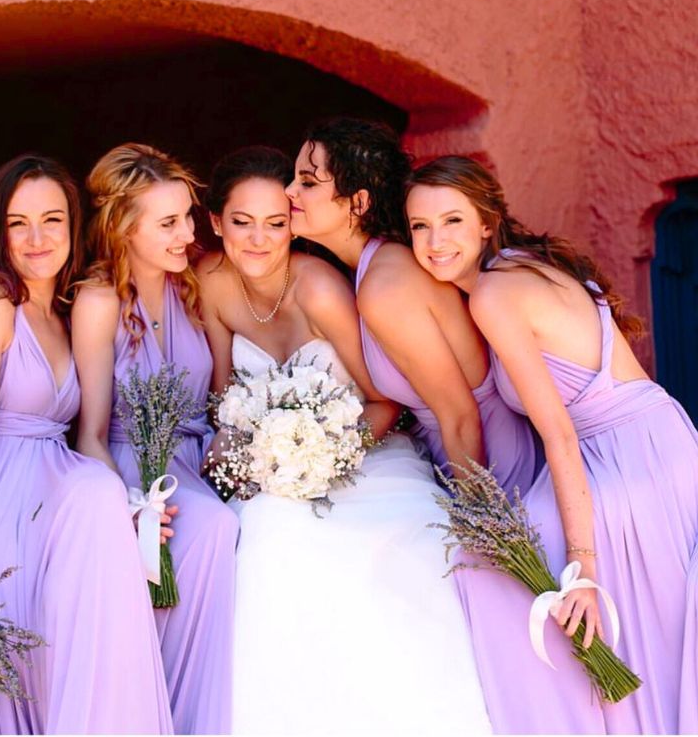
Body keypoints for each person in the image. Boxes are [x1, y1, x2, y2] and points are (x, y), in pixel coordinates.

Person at [197, 145, 492, 735]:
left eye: (276, 223)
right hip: (270, 473)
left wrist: (327, 456)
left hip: (365, 456)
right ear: (215, 224)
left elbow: (384, 400)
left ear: (292, 221)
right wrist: (237, 452)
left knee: (407, 540)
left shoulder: (323, 289)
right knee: (264, 541)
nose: (259, 239)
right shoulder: (211, 284)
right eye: (241, 223)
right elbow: (222, 396)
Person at [405, 155, 698, 734]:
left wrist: (582, 570)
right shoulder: (526, 264)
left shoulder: (493, 294)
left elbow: (559, 436)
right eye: (419, 226)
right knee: (656, 635)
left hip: (622, 462)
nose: (435, 241)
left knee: (482, 565)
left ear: (486, 221)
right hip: (662, 439)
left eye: (453, 221)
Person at [0, 155, 171, 734]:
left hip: (40, 501)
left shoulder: (66, 309)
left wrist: (135, 512)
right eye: (18, 222)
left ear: (74, 229)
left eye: (52, 220)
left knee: (103, 518)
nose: (36, 238)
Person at [72, 143, 238, 736]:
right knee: (210, 528)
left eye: (188, 216)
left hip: (196, 462)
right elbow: (88, 432)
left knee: (236, 526)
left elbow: (223, 401)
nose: (187, 233)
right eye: (168, 223)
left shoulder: (194, 285)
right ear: (123, 228)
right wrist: (128, 506)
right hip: (127, 467)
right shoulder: (97, 302)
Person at [285, 117, 539, 495]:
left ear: (359, 202)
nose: (289, 191)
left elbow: (460, 415)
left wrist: (486, 528)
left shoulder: (385, 286)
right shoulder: (377, 265)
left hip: (491, 465)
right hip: (451, 454)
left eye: (307, 182)